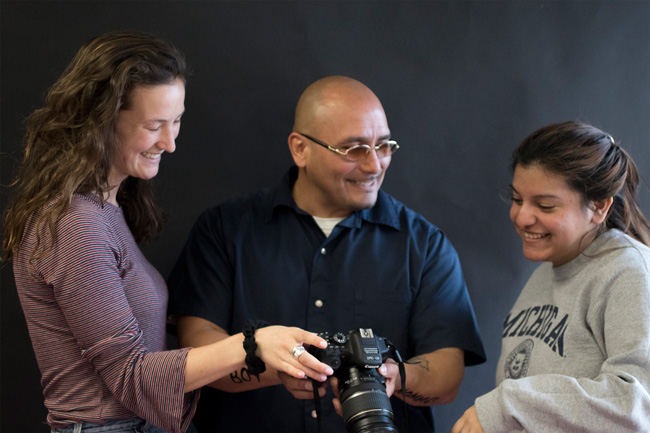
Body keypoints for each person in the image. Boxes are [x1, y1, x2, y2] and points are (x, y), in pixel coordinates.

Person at [1, 31, 332, 433]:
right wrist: (253, 343)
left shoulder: (105, 209)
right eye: (154, 125)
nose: (171, 143)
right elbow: (132, 377)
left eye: (176, 121)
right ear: (101, 122)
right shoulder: (76, 224)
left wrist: (264, 363)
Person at [167, 75, 486, 433]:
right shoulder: (224, 230)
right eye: (353, 149)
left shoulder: (424, 243)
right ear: (300, 148)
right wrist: (273, 366)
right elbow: (195, 346)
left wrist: (394, 376)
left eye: (384, 146)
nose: (374, 165)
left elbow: (447, 374)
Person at [452, 121, 650, 433]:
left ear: (598, 207)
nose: (521, 217)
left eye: (545, 205)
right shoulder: (547, 272)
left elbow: (636, 404)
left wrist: (508, 405)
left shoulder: (630, 271)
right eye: (517, 199)